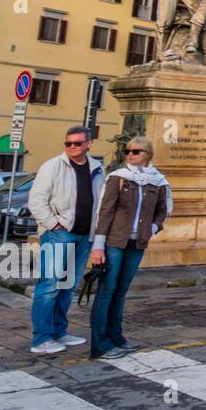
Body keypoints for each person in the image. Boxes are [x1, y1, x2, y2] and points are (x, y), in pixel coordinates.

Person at [88, 136, 171, 360]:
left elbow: (163, 210)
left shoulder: (158, 181)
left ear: (148, 155)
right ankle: (100, 344)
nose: (131, 155)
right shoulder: (118, 178)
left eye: (136, 151)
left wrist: (153, 228)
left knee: (121, 291)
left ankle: (116, 337)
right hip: (114, 241)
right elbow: (104, 212)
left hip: (137, 243)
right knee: (107, 291)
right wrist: (98, 246)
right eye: (128, 151)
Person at [26, 126, 105, 355]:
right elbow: (37, 200)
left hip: (84, 236)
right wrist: (54, 224)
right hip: (58, 234)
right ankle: (41, 338)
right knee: (49, 286)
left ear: (88, 143)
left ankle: (59, 331)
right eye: (68, 143)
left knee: (67, 287)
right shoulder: (52, 166)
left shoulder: (97, 169)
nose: (72, 147)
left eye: (77, 143)